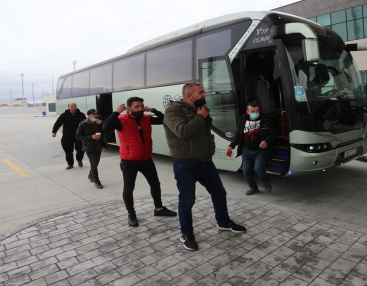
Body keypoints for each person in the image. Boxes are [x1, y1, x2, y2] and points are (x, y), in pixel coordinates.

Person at [163, 82, 247, 251]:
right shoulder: (173, 111)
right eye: (201, 92)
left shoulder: (198, 109)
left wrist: (203, 115)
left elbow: (205, 129)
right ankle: (186, 234)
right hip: (185, 164)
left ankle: (223, 222)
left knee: (219, 192)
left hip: (205, 162)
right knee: (187, 201)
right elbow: (182, 131)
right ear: (189, 96)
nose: (205, 95)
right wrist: (200, 116)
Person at [102, 96, 176, 227]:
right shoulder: (120, 120)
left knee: (155, 184)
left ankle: (159, 209)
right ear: (129, 108)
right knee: (129, 188)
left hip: (146, 159)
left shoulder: (146, 118)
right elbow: (106, 127)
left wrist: (153, 109)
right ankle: (131, 214)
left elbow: (165, 119)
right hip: (129, 161)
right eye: (137, 106)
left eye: (142, 106)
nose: (141, 108)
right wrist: (116, 112)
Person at [227, 102, 277, 195]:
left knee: (258, 169)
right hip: (246, 150)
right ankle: (253, 187)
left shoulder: (266, 121)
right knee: (246, 171)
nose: (255, 113)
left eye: (257, 111)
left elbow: (273, 134)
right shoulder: (242, 120)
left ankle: (266, 182)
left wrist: (266, 141)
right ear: (247, 112)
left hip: (260, 151)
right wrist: (231, 145)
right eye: (252, 111)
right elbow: (238, 134)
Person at [75, 109, 108, 189]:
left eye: (96, 114)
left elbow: (106, 130)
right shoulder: (83, 124)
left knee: (95, 163)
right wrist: (91, 137)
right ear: (89, 116)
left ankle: (90, 175)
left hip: (99, 146)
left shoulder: (99, 123)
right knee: (94, 165)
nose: (96, 116)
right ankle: (97, 182)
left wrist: (102, 124)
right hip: (89, 147)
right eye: (94, 115)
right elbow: (78, 136)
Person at [52, 103, 86, 170]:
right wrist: (54, 132)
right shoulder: (64, 115)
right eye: (71, 106)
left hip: (79, 135)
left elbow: (86, 124)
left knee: (80, 149)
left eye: (74, 106)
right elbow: (58, 123)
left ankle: (79, 160)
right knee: (68, 151)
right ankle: (70, 164)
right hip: (67, 136)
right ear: (68, 107)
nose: (73, 107)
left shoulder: (81, 115)